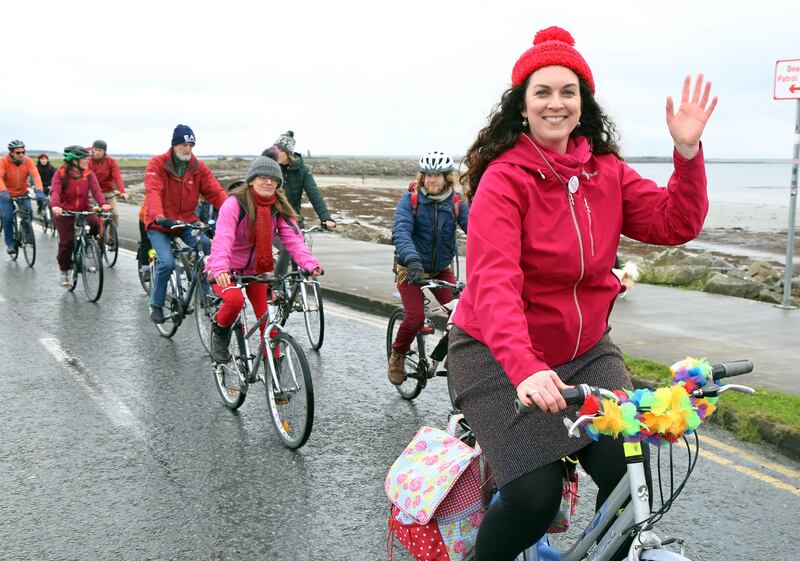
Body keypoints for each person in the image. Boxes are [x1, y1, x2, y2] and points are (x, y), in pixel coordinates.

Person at [446, 26, 717, 561]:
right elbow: (494, 284)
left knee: (631, 482)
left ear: (582, 102)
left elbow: (675, 220)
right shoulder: (505, 180)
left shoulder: (606, 172)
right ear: (521, 107)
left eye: (567, 91)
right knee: (534, 497)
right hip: (498, 356)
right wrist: (523, 367)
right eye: (542, 91)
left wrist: (687, 153)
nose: (556, 102)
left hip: (587, 351)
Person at [205, 156, 322, 363]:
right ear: (251, 180)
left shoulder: (279, 207)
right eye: (263, 177)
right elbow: (223, 238)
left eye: (273, 179)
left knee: (268, 325)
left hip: (256, 270)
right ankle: (219, 333)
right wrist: (220, 269)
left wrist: (310, 264)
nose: (269, 182)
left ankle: (275, 378)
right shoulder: (234, 204)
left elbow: (293, 240)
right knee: (234, 301)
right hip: (226, 270)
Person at [388, 150, 469, 385]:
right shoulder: (410, 201)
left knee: (460, 314)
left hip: (440, 269)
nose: (432, 180)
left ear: (447, 178)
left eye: (437, 175)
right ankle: (398, 355)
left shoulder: (455, 203)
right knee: (414, 319)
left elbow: (476, 230)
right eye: (427, 175)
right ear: (422, 177)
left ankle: (447, 356)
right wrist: (412, 259)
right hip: (410, 268)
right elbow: (401, 232)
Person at [144, 124, 227, 324]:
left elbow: (215, 192)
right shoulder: (157, 164)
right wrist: (158, 216)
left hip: (186, 221)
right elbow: (153, 191)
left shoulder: (197, 167)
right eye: (183, 144)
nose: (187, 148)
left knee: (207, 246)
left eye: (191, 144)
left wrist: (232, 213)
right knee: (167, 263)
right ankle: (156, 304)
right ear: (174, 145)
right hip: (160, 224)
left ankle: (207, 293)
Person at [268, 130, 336, 276]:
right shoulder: (270, 170)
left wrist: (326, 218)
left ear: (288, 153)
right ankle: (278, 286)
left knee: (300, 257)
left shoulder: (302, 171)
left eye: (279, 150)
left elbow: (314, 195)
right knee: (287, 249)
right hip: (272, 222)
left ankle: (297, 291)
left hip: (295, 222)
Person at [50, 146, 111, 286]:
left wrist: (103, 203)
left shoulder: (88, 174)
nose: (87, 161)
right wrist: (56, 206)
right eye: (84, 159)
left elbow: (96, 191)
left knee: (95, 224)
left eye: (87, 158)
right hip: (65, 212)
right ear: (74, 161)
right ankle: (64, 272)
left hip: (84, 208)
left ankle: (89, 244)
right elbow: (55, 191)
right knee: (67, 243)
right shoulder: (60, 174)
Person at [0, 140, 46, 256]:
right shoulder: (3, 161)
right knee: (8, 217)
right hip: (6, 195)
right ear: (11, 153)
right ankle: (10, 243)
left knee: (29, 212)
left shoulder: (27, 161)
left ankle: (27, 233)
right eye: (18, 152)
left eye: (23, 152)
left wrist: (39, 190)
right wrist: (3, 191)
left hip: (22, 192)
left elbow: (35, 176)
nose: (21, 154)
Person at [88, 139, 129, 226]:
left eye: (100, 150)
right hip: (92, 192)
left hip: (107, 192)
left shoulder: (111, 162)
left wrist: (122, 191)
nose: (97, 152)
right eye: (95, 150)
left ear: (104, 151)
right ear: (92, 150)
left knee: (114, 214)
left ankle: (113, 238)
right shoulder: (88, 162)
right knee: (91, 215)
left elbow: (117, 177)